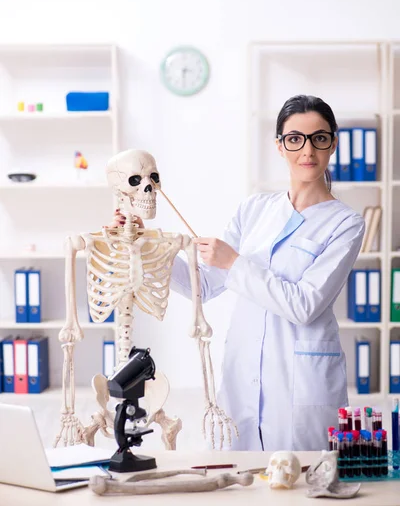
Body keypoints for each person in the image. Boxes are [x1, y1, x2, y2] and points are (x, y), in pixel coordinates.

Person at [110, 94, 365, 452]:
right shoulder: (255, 209)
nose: (307, 150)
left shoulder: (346, 224)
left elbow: (305, 305)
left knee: (303, 481)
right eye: (295, 139)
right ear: (280, 145)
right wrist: (143, 243)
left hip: (302, 381)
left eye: (319, 138)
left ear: (333, 143)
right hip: (242, 371)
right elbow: (205, 284)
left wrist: (234, 262)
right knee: (238, 478)